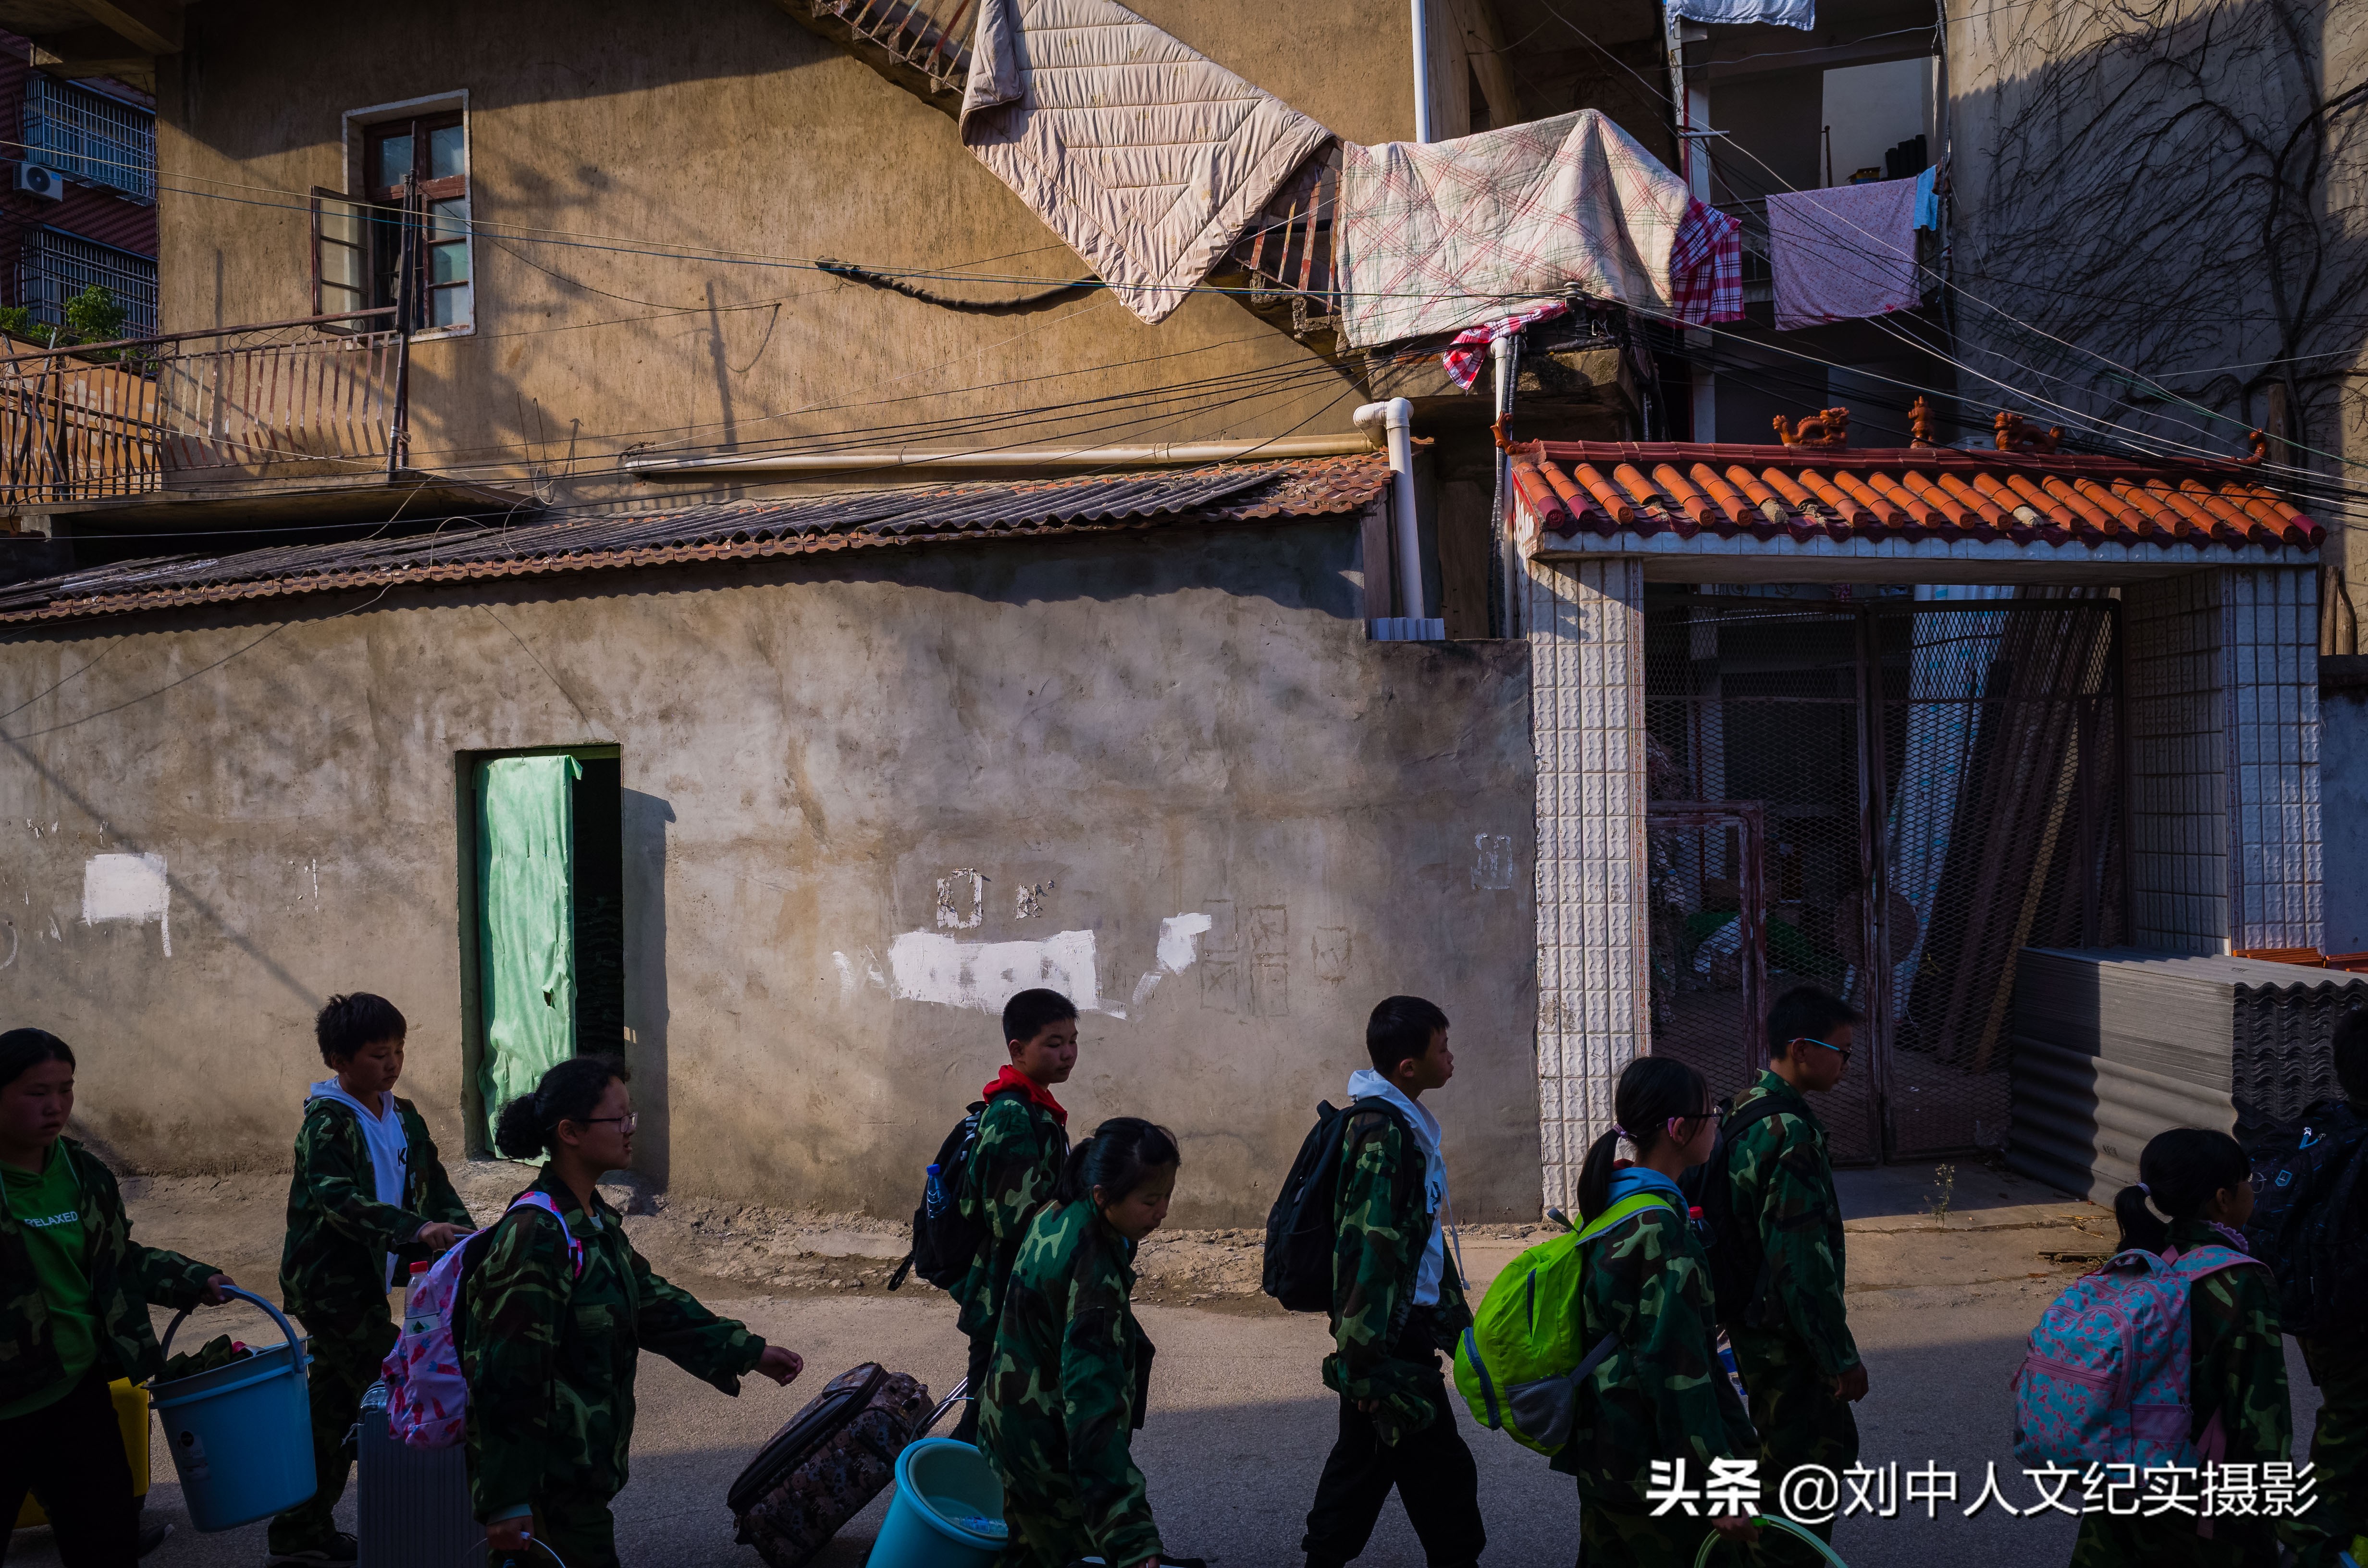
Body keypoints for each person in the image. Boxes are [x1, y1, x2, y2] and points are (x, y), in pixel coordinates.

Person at [462, 1056, 803, 1568]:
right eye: (618, 1118)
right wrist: (507, 1499)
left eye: (631, 1116)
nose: (629, 1129)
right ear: (570, 1133)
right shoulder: (537, 1235)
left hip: (581, 1482)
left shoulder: (593, 1221)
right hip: (546, 1491)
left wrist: (749, 1352)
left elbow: (651, 1303)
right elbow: (506, 1373)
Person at [0, 1028, 235, 1568]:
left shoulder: (83, 1173)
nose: (56, 1106)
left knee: (106, 1542)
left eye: (66, 1089)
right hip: (6, 1401)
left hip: (75, 1392)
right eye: (37, 1093)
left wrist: (192, 1278)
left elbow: (115, 1259)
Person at [269, 992, 477, 1566]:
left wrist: (467, 1242)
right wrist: (416, 1229)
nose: (392, 1064)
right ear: (339, 1060)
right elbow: (338, 1201)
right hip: (328, 1287)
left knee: (332, 1409)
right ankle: (439, 1525)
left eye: (398, 1051)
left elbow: (433, 1183)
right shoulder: (326, 1123)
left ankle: (299, 1532)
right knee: (406, 1383)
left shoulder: (402, 1113)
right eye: (378, 1054)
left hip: (367, 1281)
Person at [1301, 995, 1484, 1568]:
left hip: (1394, 1330)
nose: (1451, 1058)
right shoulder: (1383, 1135)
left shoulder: (1404, 1124)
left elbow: (1418, 1244)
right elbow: (1367, 1252)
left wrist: (1456, 1327)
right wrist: (1362, 1362)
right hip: (1388, 1336)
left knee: (1368, 1465)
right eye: (1442, 1049)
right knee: (1436, 1475)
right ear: (1408, 1067)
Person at [1560, 1056, 1759, 1564]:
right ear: (1679, 1129)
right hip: (1653, 1475)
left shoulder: (1617, 1199)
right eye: (1710, 1114)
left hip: (1606, 1454)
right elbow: (1676, 1371)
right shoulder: (1660, 1232)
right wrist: (1718, 1485)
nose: (1717, 1124)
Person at [2071, 1127, 2290, 1567]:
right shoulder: (2239, 1281)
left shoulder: (2138, 1258)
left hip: (2122, 1481)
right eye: (2248, 1181)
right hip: (2200, 1499)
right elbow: (2260, 1413)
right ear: (2223, 1199)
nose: (2253, 1190)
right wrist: (2282, 1512)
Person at [980, 1117, 1176, 1568]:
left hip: (1009, 1426)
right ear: (1103, 1196)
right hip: (1045, 1452)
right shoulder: (1094, 1275)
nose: (1163, 1212)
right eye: (1150, 1201)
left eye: (1168, 1196)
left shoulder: (1058, 1211)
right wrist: (1132, 1540)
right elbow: (1092, 1409)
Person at [1720, 984, 1866, 1564]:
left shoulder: (1745, 1106)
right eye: (1841, 1051)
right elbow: (1802, 1263)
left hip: (1749, 1323)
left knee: (1773, 1460)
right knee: (1807, 1471)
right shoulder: (1791, 1133)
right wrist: (1839, 1357)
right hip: (1784, 1339)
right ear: (1801, 1050)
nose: (1846, 1064)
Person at [950, 987, 1076, 1444]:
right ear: (1018, 1050)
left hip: (1022, 1286)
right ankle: (933, 1486)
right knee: (985, 1419)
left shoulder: (1037, 1108)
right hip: (1005, 1289)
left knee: (1008, 1418)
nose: (1068, 1054)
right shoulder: (1012, 1114)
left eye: (1073, 1042)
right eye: (1054, 1044)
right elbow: (1013, 1217)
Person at [2279, 1006, 2368, 1568]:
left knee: (2346, 1419)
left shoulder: (2325, 1125)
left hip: (2320, 1307)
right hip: (2353, 1317)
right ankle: (2316, 1547)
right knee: (2350, 1434)